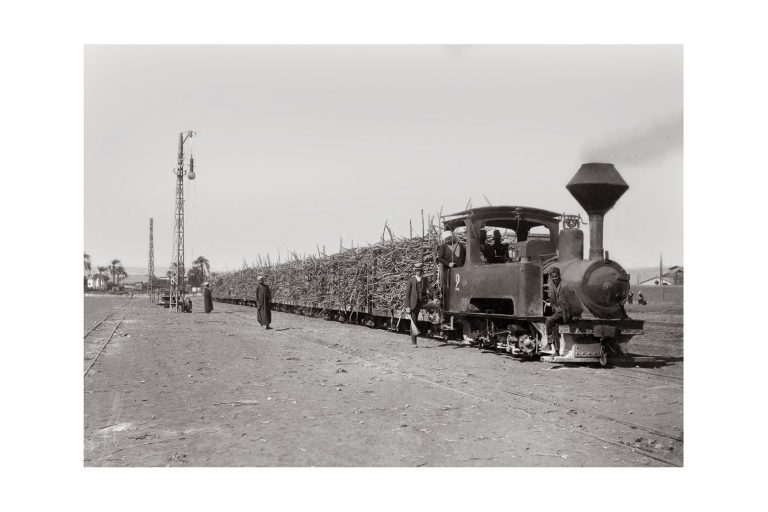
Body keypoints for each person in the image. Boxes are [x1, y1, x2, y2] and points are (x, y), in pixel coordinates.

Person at [545, 267, 583, 356]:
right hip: (559, 312)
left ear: (559, 276)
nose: (555, 279)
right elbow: (552, 302)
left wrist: (575, 314)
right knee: (554, 326)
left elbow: (574, 301)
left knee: (548, 321)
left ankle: (549, 343)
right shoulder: (552, 288)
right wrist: (554, 308)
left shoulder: (565, 287)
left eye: (556, 277)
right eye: (553, 277)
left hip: (567, 312)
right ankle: (557, 351)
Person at [404, 263, 432, 347]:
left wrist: (435, 297)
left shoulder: (425, 280)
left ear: (422, 271)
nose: (418, 272)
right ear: (415, 271)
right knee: (414, 321)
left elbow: (431, 289)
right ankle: (414, 342)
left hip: (423, 302)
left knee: (434, 309)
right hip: (414, 304)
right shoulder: (411, 280)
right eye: (416, 271)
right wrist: (407, 307)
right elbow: (407, 295)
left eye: (419, 271)